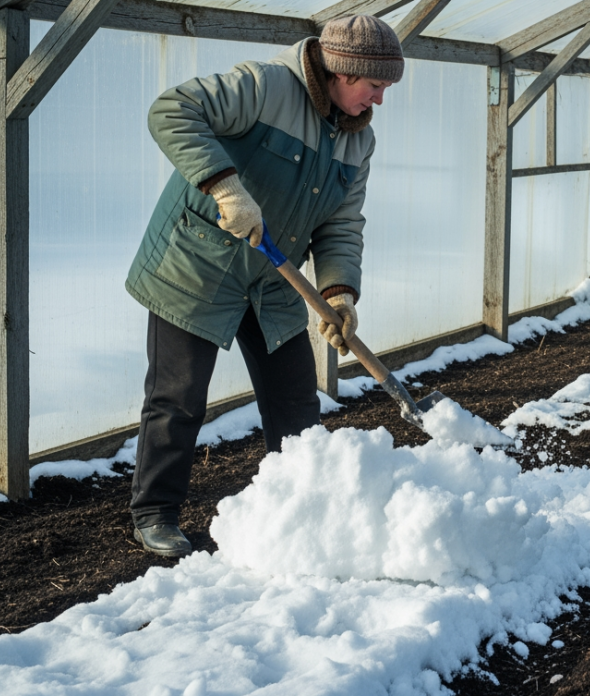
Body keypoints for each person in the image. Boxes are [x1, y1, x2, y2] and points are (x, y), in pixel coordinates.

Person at [123, 15, 403, 557]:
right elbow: (172, 109)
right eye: (375, 86)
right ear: (343, 71)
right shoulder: (267, 87)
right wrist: (225, 187)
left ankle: (304, 504)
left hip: (276, 276)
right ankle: (154, 512)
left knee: (295, 398)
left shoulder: (358, 139)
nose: (380, 100)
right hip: (198, 264)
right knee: (177, 397)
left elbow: (342, 223)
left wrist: (340, 293)